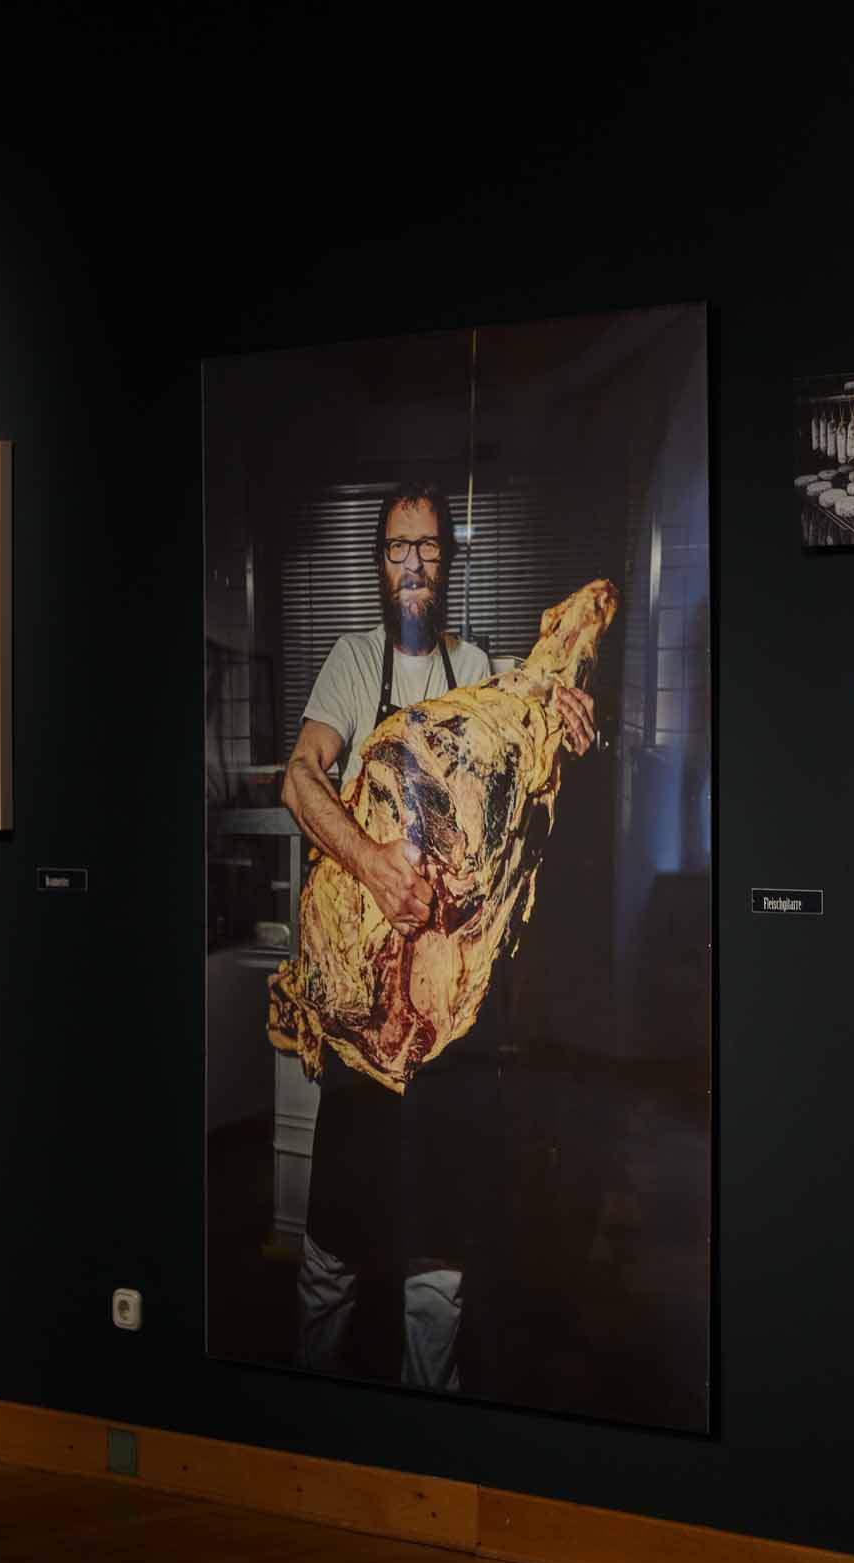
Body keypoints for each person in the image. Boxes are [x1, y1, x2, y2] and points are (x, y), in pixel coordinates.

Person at [281, 483, 594, 1390]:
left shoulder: (482, 669)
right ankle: (306, 1420)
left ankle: (436, 1439)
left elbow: (526, 796)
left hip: (452, 1014)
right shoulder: (350, 661)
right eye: (395, 548)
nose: (412, 563)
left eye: (427, 547)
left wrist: (566, 728)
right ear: (379, 564)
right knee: (334, 1247)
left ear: (448, 560)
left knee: (440, 1256)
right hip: (368, 1011)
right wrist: (374, 862)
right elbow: (301, 783)